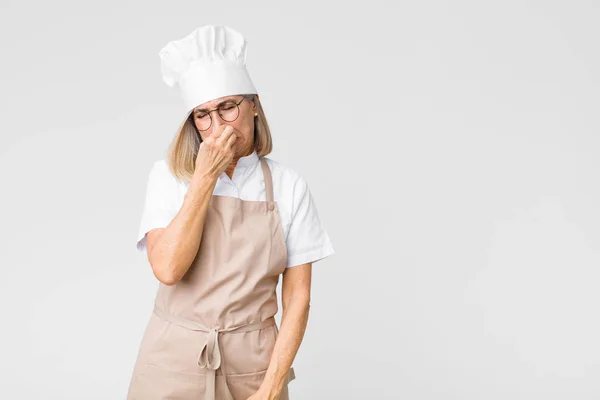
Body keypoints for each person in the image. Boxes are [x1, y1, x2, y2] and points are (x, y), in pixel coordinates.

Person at [126, 25, 335, 400]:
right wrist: (205, 177)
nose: (218, 125)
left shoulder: (289, 186)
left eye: (227, 107)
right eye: (203, 115)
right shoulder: (169, 178)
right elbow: (168, 269)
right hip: (172, 360)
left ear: (253, 105)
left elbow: (298, 298)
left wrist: (271, 387)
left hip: (254, 364)